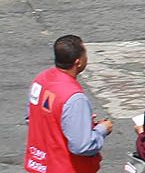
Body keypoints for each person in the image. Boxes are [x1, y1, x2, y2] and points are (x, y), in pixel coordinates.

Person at [24, 36, 112, 170]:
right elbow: (82, 146)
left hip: (39, 164)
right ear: (78, 62)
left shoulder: (40, 79)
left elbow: (33, 117)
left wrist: (77, 123)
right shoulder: (74, 98)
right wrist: (101, 130)